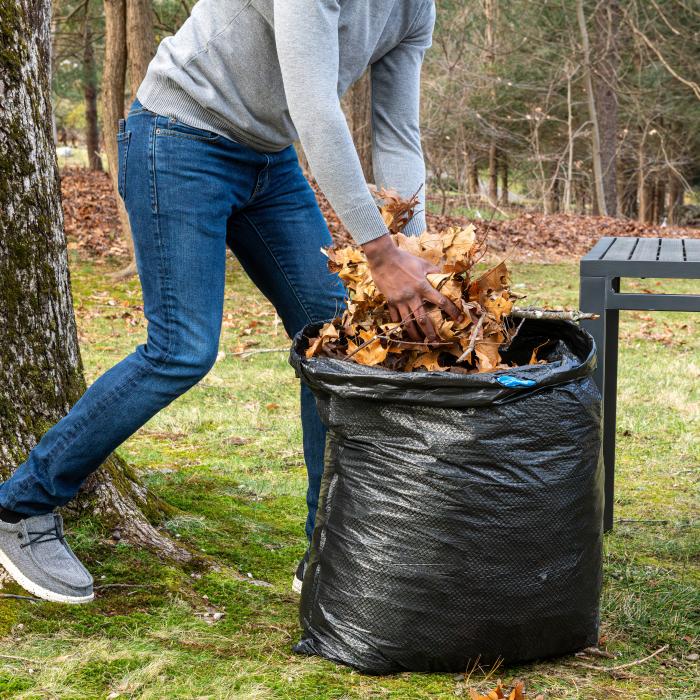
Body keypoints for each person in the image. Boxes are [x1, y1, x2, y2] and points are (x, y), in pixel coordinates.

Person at [0, 0, 461, 604]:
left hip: (269, 160)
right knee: (181, 350)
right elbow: (316, 110)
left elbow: (398, 133)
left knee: (335, 342)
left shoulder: (414, 8)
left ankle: (328, 548)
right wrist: (379, 252)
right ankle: (19, 507)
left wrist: (412, 246)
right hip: (179, 136)